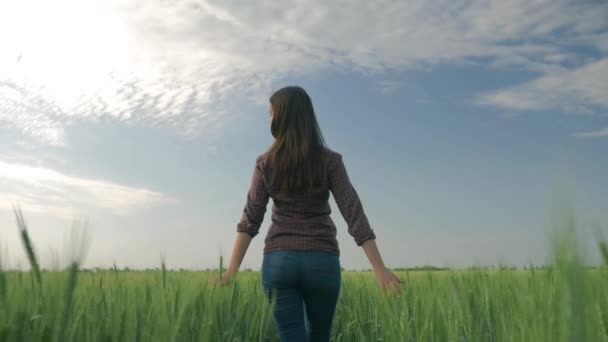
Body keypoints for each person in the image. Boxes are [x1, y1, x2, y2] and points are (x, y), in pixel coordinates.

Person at [219, 85, 402, 341]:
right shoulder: (330, 160)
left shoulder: (265, 163)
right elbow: (353, 212)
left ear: (281, 117)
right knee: (319, 335)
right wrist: (379, 268)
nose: (269, 119)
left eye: (270, 113)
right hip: (322, 260)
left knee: (291, 335)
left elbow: (250, 219)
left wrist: (230, 271)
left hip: (279, 261)